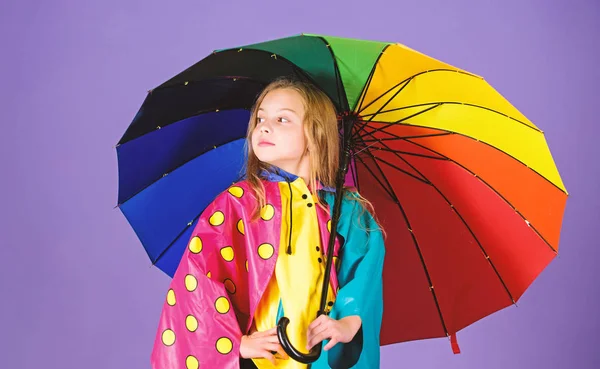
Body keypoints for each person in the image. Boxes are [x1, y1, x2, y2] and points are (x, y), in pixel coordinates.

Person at [150, 77, 386, 369]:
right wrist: (236, 342)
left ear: (316, 133)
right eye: (260, 117)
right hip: (263, 359)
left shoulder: (346, 210)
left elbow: (366, 268)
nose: (263, 126)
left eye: (282, 119)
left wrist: (348, 322)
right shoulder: (238, 204)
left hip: (318, 355)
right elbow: (198, 278)